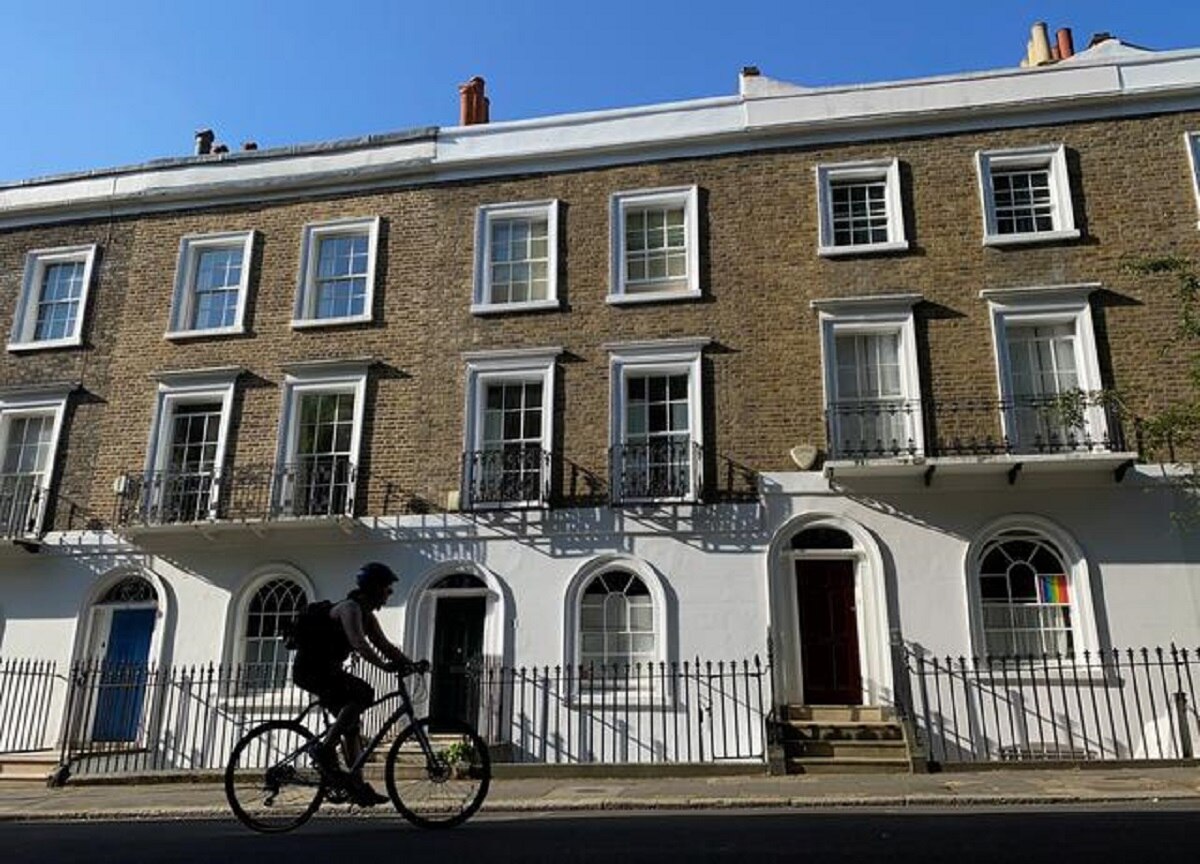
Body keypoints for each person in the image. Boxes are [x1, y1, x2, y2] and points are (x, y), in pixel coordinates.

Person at [292, 561, 423, 807]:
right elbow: (359, 644)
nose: (390, 593)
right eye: (387, 588)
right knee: (363, 692)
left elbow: (384, 645)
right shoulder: (349, 608)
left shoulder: (367, 616)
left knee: (352, 725)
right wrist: (384, 667)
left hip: (328, 671)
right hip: (310, 670)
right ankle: (325, 749)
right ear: (373, 588)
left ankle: (356, 785)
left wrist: (411, 664)